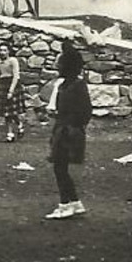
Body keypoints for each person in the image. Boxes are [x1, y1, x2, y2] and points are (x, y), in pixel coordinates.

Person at [45, 38, 92, 220]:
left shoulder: (77, 85)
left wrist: (73, 125)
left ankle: (64, 204)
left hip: (69, 131)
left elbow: (86, 110)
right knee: (60, 167)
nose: (57, 66)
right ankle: (75, 202)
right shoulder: (64, 85)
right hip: (62, 128)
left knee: (60, 168)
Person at [0, 42, 25, 142]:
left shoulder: (13, 61)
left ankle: (19, 124)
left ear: (8, 51)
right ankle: (9, 133)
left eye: (5, 50)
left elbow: (16, 76)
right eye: (1, 50)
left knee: (13, 111)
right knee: (6, 112)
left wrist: (11, 90)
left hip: (13, 85)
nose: (2, 52)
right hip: (3, 86)